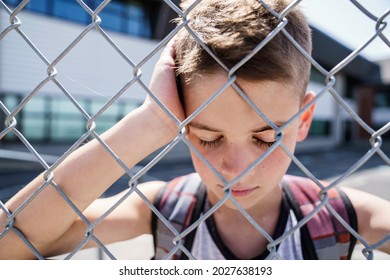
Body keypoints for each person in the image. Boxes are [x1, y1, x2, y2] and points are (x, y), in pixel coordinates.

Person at [0, 0, 389, 260]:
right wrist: (150, 122)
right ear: (182, 125)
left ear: (303, 120)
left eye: (266, 137)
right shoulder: (168, 210)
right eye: (207, 137)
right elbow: (10, 241)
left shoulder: (340, 218)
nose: (235, 167)